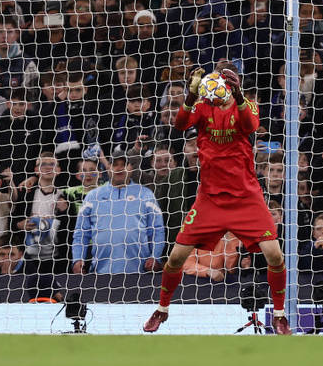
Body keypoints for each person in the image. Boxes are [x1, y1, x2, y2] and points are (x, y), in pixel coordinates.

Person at [144, 62, 292, 334]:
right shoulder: (202, 108)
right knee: (175, 258)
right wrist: (189, 94)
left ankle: (280, 313)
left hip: (245, 197)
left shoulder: (246, 105)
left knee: (274, 254)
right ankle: (162, 309)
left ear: (231, 86)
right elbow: (178, 124)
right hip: (210, 199)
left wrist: (238, 95)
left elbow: (251, 126)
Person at [72, 154, 165, 274]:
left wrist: (155, 256)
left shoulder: (145, 194)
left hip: (140, 273)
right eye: (115, 165)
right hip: (100, 274)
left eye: (124, 164)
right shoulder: (92, 196)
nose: (119, 168)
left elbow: (157, 230)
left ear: (131, 167)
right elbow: (81, 233)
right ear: (108, 167)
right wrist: (77, 259)